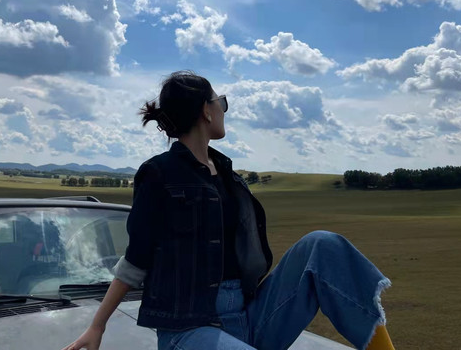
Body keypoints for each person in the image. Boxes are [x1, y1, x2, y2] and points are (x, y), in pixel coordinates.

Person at [61, 71, 395, 350]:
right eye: (221, 102)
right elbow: (136, 259)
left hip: (248, 316)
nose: (224, 110)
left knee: (323, 246)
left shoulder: (228, 176)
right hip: (189, 330)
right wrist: (97, 326)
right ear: (206, 111)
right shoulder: (158, 174)